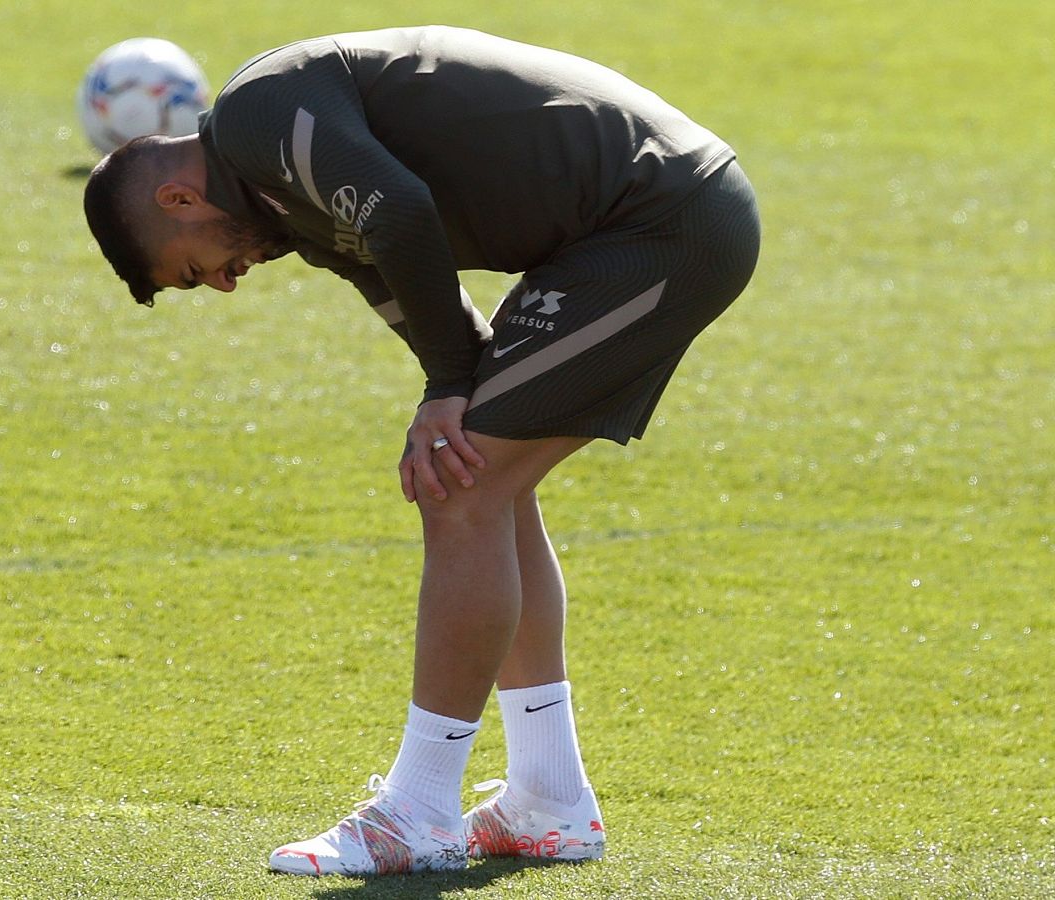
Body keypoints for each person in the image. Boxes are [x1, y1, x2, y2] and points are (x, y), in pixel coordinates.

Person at [83, 25, 760, 877]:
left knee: (459, 486)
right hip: (631, 228)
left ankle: (419, 811)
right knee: (481, 481)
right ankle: (549, 800)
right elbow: (400, 281)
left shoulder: (258, 118)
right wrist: (453, 391)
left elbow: (400, 211)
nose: (221, 283)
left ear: (179, 200)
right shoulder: (295, 209)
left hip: (664, 217)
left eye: (193, 271)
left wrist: (449, 392)